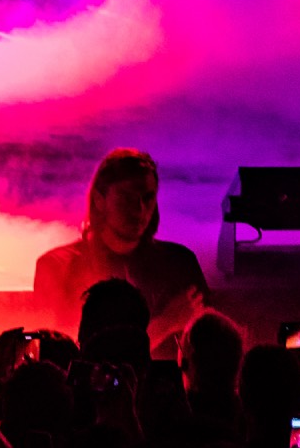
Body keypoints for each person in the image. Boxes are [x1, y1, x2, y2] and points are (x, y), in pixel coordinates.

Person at [33, 148, 205, 356]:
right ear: (99, 199)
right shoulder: (58, 267)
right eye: (127, 198)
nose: (140, 209)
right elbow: (62, 358)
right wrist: (165, 324)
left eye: (148, 198)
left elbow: (210, 350)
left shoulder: (180, 263)